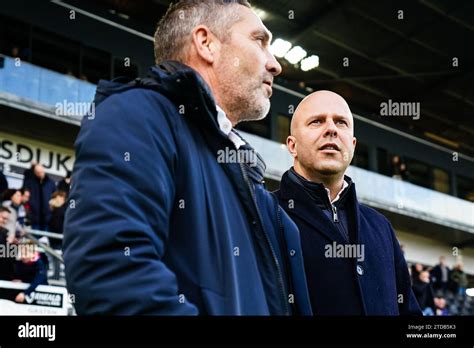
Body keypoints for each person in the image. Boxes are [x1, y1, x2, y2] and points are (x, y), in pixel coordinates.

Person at [63, 0, 312, 315]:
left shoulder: (252, 186)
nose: (275, 64)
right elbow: (112, 273)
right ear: (207, 44)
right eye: (259, 41)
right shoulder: (137, 116)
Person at [275, 90, 421, 315]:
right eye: (317, 121)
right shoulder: (265, 213)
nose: (331, 129)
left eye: (341, 122)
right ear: (292, 146)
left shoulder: (381, 227)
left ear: (352, 146)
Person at [24, 164, 56, 231]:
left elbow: (55, 198)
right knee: (35, 240)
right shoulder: (30, 182)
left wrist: (52, 209)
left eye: (41, 172)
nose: (40, 174)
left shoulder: (51, 183)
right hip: (34, 217)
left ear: (44, 171)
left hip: (48, 218)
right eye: (38, 172)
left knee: (45, 240)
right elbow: (25, 197)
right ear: (35, 173)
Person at [0, 207, 15, 280]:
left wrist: (12, 245)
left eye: (6, 219)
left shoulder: (5, 233)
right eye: (3, 218)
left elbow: (9, 259)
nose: (5, 221)